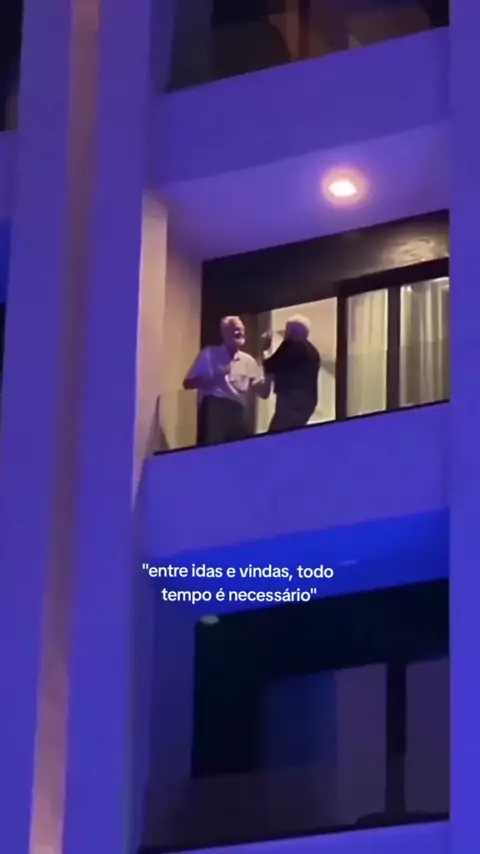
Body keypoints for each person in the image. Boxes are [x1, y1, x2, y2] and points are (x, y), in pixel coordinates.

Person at [183, 316, 266, 446]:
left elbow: (263, 393)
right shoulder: (209, 354)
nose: (239, 333)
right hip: (215, 407)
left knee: (236, 449)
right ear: (224, 333)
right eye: (235, 330)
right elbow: (188, 383)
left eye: (241, 330)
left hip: (238, 410)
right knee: (213, 447)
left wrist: (265, 359)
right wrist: (214, 378)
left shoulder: (248, 361)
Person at [262, 315, 321, 433]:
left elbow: (272, 365)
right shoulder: (313, 352)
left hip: (291, 400)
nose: (286, 334)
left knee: (276, 434)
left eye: (287, 330)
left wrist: (264, 350)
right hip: (307, 403)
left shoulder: (291, 345)